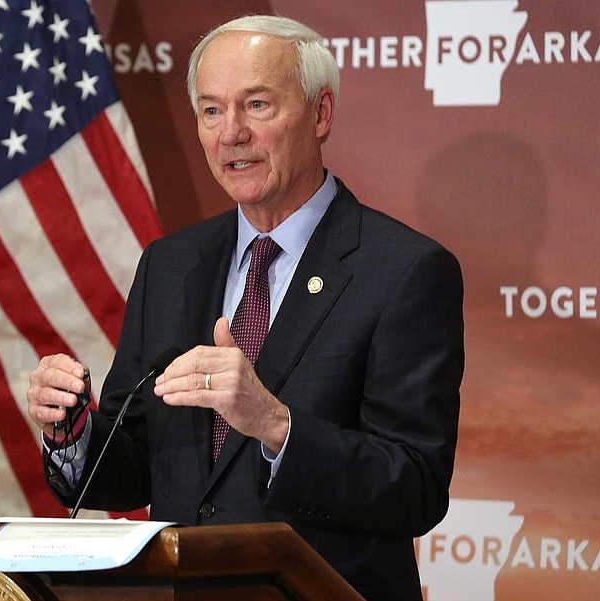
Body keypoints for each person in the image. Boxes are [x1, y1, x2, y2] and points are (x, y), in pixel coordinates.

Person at [26, 15, 464, 601]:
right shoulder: (170, 265)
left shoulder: (403, 270)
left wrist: (277, 427)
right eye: (211, 110)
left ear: (321, 113)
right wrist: (74, 430)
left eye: (256, 105)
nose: (230, 133)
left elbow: (415, 486)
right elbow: (130, 466)